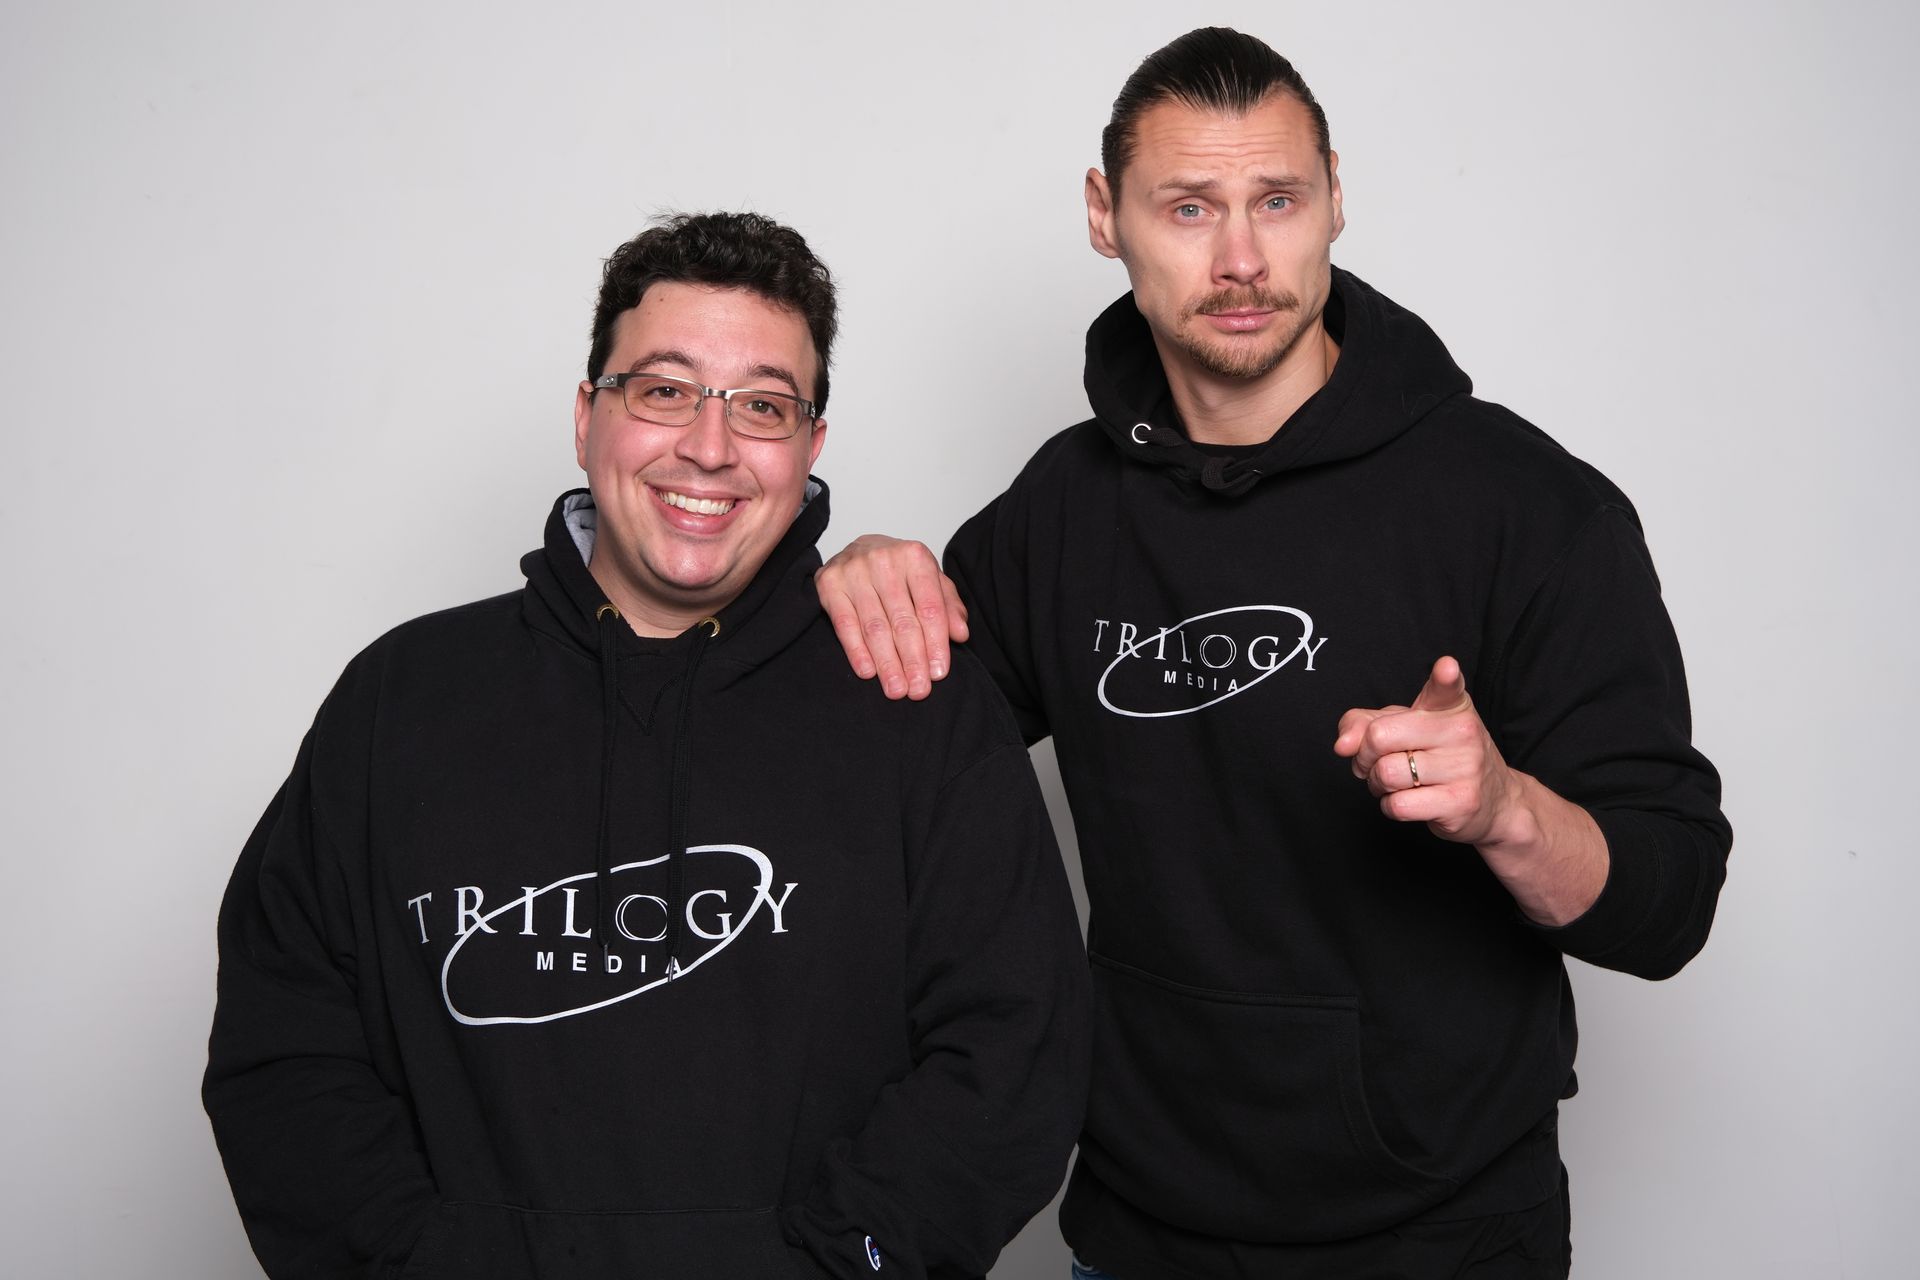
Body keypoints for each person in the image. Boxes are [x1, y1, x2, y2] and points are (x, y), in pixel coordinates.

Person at [815, 29, 1731, 1280]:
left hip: (1446, 1242)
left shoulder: (1524, 505)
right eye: (1189, 207)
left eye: (1279, 201)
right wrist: (862, 572)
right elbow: (869, 764)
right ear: (1105, 216)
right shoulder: (1063, 512)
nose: (1241, 258)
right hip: (1138, 1235)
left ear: (1336, 198)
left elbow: (1669, 904)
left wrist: (1508, 812)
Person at [204, 211, 1090, 1280]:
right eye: (664, 391)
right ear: (588, 416)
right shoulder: (397, 699)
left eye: (762, 405)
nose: (709, 447)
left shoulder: (912, 696)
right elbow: (285, 1044)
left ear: (810, 446)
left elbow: (1014, 1046)